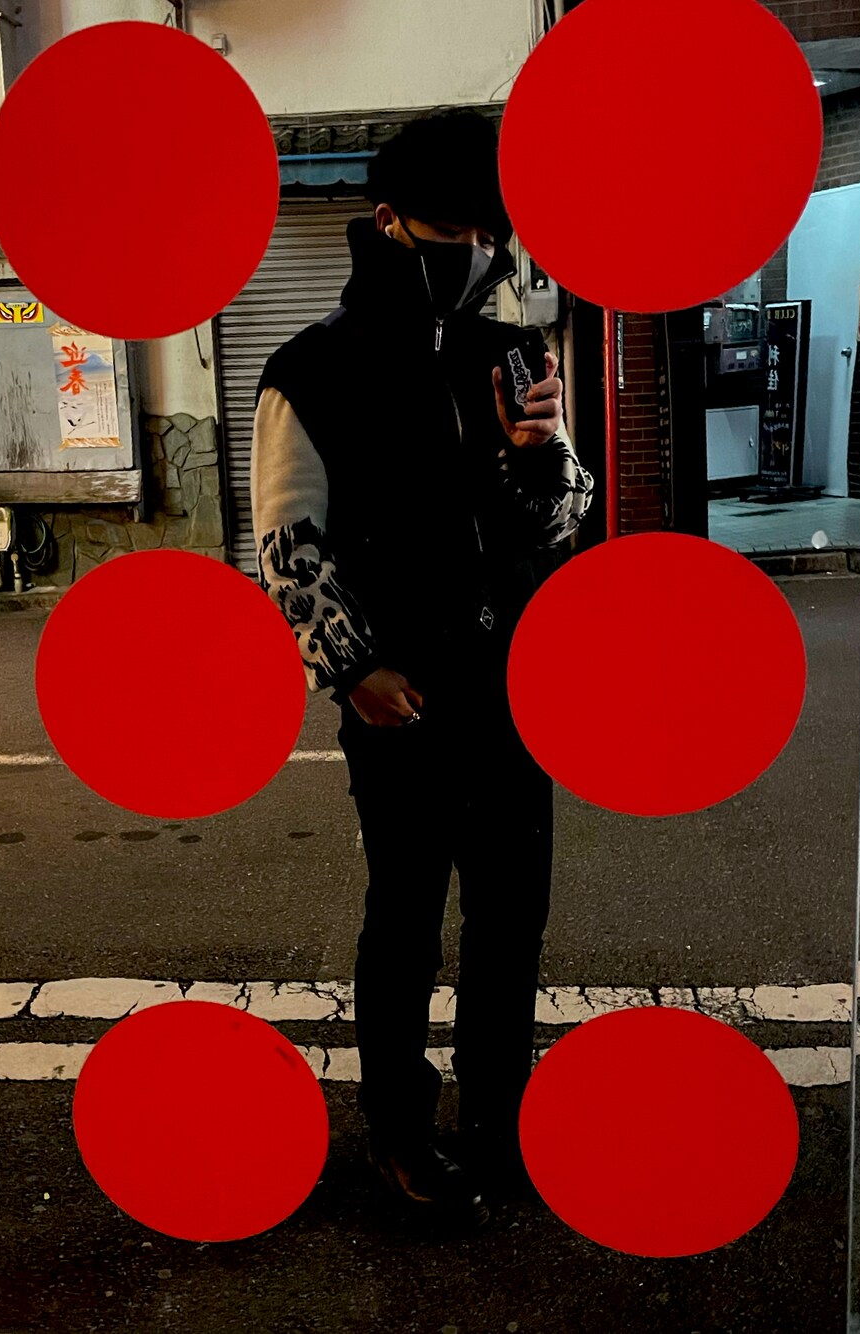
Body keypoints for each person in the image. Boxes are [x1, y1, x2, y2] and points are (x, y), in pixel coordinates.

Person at [251, 108, 594, 1229]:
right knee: (404, 921)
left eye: (492, 235)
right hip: (401, 700)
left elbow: (562, 522)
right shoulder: (312, 368)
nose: (477, 254)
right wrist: (352, 668)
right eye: (454, 231)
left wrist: (538, 457)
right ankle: (400, 1130)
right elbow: (287, 540)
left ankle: (499, 1118)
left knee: (512, 920)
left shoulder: (511, 352)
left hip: (515, 690)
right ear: (389, 220)